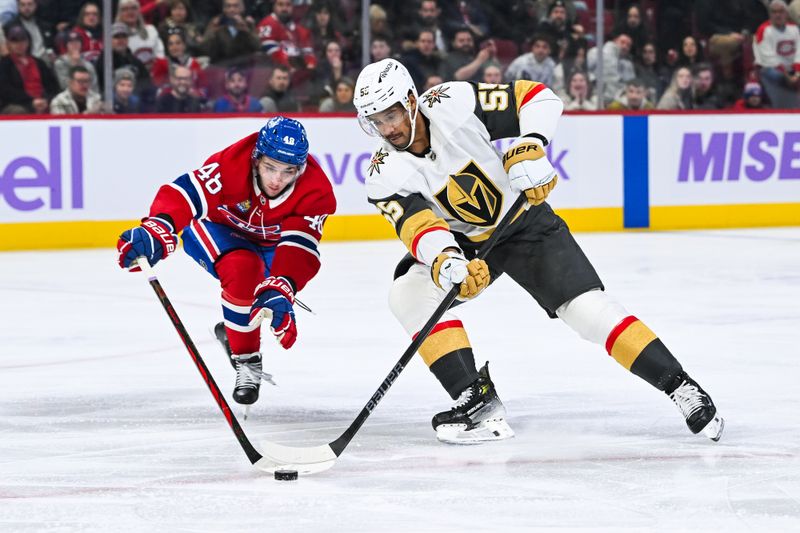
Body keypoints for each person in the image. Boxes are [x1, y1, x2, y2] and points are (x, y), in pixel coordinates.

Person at [351, 58, 724, 444]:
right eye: (375, 120)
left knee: (588, 312)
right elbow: (418, 226)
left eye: (391, 114)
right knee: (407, 293)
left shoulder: (452, 101)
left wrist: (531, 144)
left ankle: (680, 386)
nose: (387, 128)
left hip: (524, 223)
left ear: (411, 100)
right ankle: (475, 399)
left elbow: (537, 97)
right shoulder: (382, 173)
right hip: (464, 242)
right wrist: (447, 262)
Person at [116, 117, 336, 405]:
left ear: (301, 169)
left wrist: (284, 284)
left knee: (268, 287)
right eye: (270, 167)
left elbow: (300, 246)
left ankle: (236, 331)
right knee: (243, 268)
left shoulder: (315, 190)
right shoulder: (232, 164)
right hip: (214, 229)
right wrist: (160, 224)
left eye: (288, 171)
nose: (276, 180)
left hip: (269, 247)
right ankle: (247, 361)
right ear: (257, 159)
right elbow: (184, 193)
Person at [0, 24, 58, 113]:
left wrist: (46, 100)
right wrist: (30, 101)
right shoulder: (4, 64)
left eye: (23, 40)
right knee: (18, 111)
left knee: (60, 106)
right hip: (17, 103)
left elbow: (52, 86)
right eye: (15, 41)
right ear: (8, 44)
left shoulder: (39, 63)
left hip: (43, 100)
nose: (19, 44)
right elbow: (5, 90)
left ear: (28, 42)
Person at [753, 0, 800, 109]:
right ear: (769, 14)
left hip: (794, 70)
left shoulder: (795, 29)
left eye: (781, 11)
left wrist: (797, 73)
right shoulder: (763, 30)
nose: (778, 15)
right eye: (774, 12)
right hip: (771, 69)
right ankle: (783, 107)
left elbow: (799, 52)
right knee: (775, 75)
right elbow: (770, 59)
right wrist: (787, 76)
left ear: (787, 13)